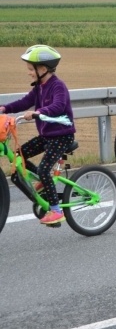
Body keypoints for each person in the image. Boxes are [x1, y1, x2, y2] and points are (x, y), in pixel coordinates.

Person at [0, 45, 76, 225]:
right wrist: (5, 108)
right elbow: (24, 101)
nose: (29, 73)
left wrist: (38, 112)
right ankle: (42, 180)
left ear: (43, 68)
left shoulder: (58, 86)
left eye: (30, 69)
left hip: (62, 136)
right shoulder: (39, 88)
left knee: (43, 169)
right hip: (47, 136)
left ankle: (56, 211)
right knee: (20, 154)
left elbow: (58, 106)